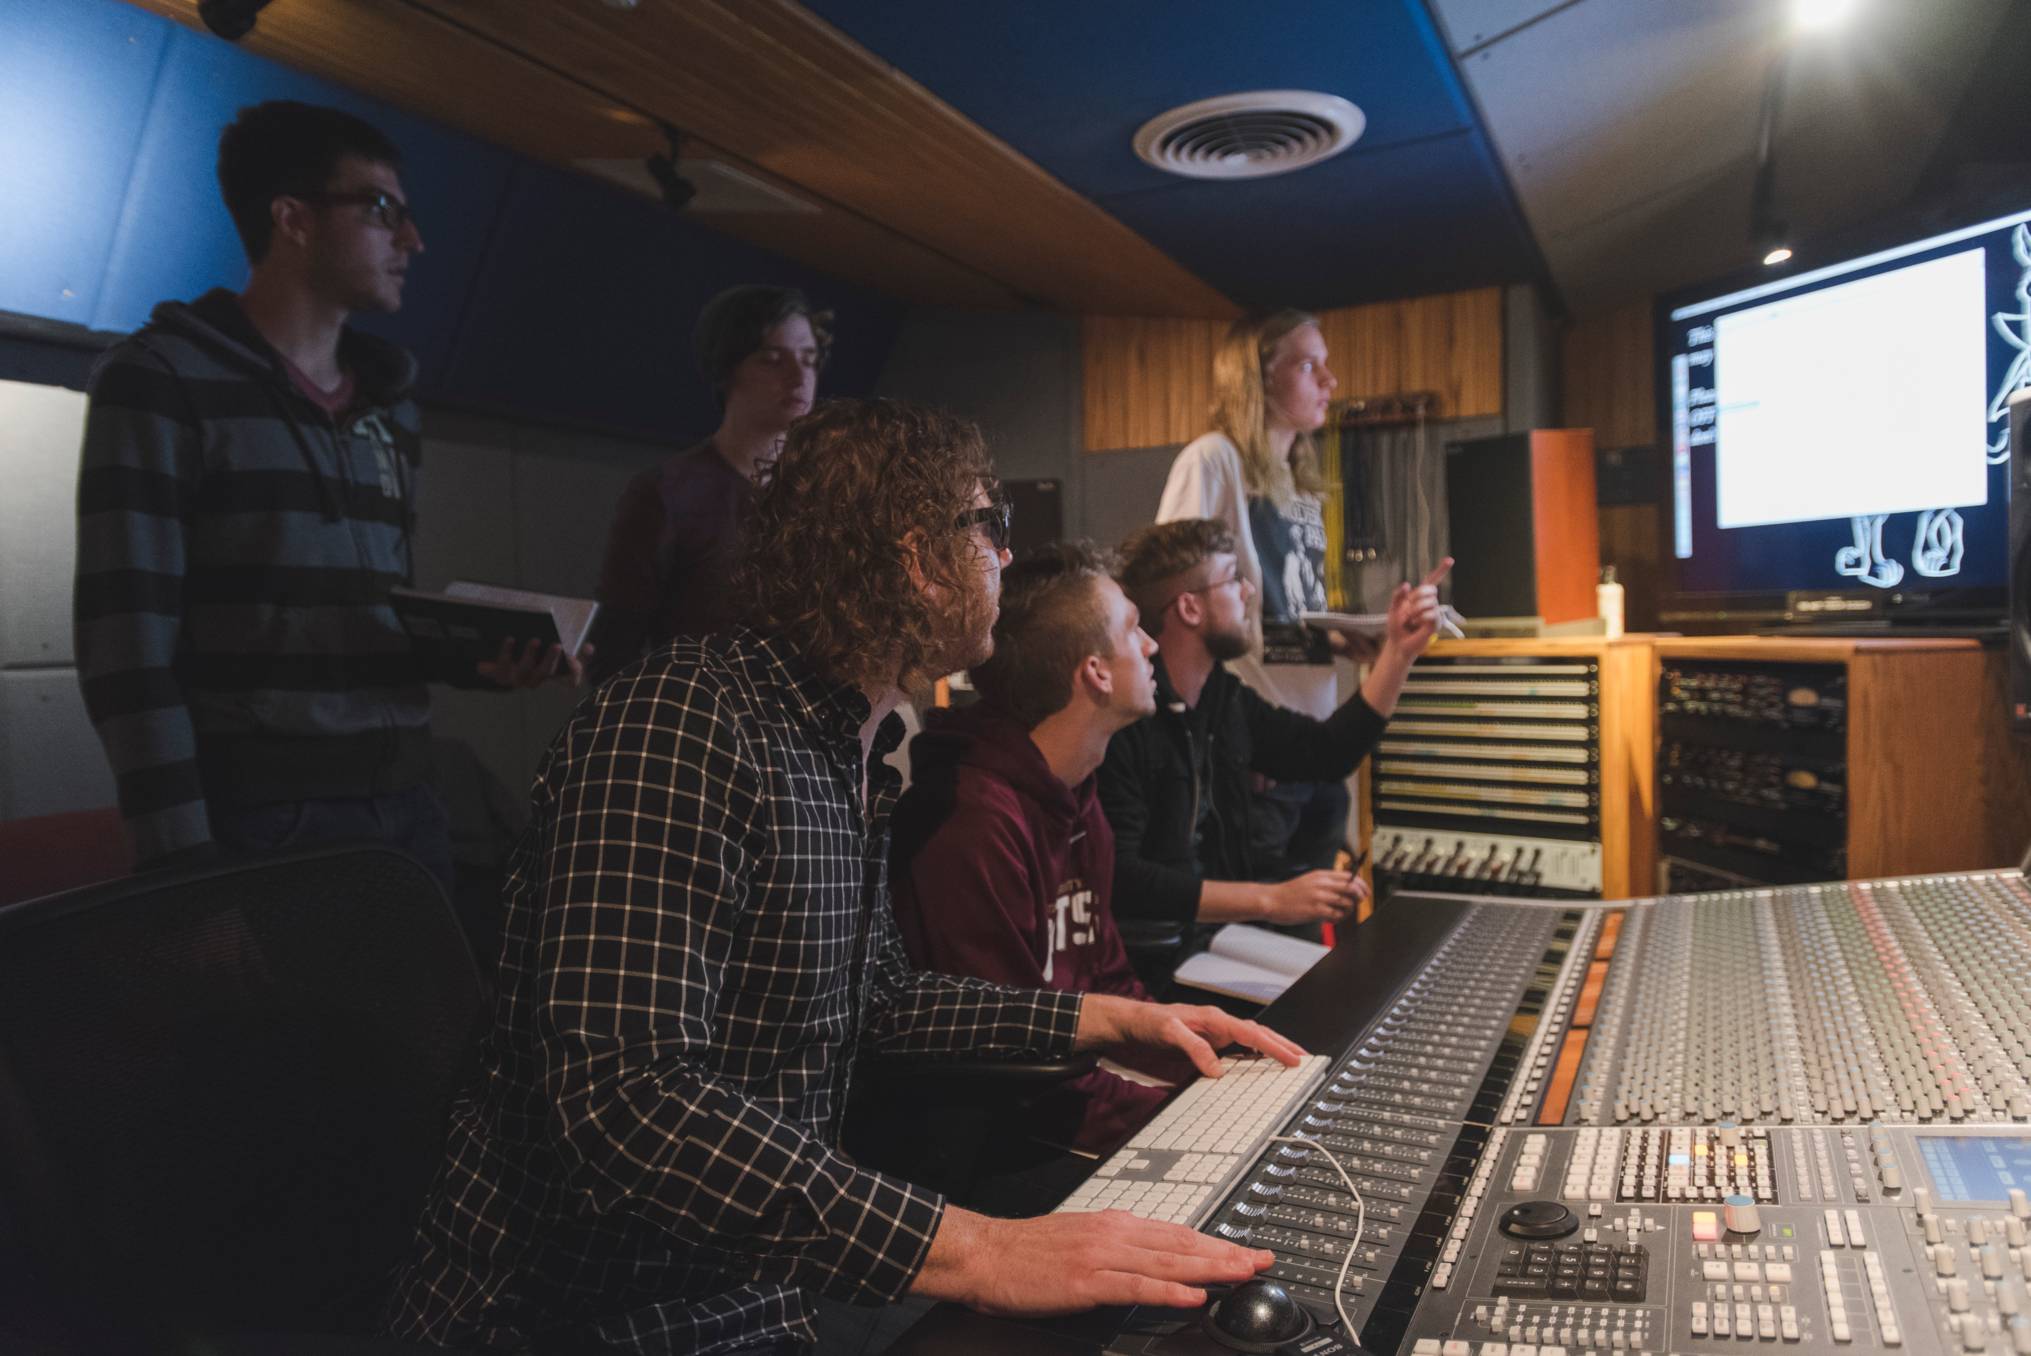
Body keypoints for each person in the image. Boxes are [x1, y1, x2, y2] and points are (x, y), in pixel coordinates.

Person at [386, 399, 1301, 1355]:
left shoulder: (842, 743)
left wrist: (1109, 1021)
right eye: (990, 525)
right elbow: (626, 1098)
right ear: (918, 559)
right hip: (588, 1316)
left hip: (755, 1288)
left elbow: (872, 997)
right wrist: (978, 1250)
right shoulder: (684, 722)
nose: (1003, 557)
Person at [73, 101, 572, 886]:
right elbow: (126, 647)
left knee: (423, 1015)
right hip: (264, 820)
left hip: (410, 801)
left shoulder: (389, 408)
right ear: (292, 218)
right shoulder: (161, 381)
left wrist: (480, 659)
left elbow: (360, 622)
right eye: (382, 210)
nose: (413, 241)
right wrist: (178, 869)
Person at [888, 542, 1168, 1157]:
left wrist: (1222, 1063)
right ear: (1094, 671)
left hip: (1072, 1101)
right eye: (1133, 628)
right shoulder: (971, 822)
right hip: (1002, 1148)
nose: (1151, 645)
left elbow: (1110, 983)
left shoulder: (1076, 789)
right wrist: (1184, 1114)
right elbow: (1012, 1067)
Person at [1098, 518, 1450, 984]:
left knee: (1365, 985)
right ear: (1189, 607)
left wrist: (1399, 653)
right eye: (1231, 578)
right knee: (1337, 1000)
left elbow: (1324, 753)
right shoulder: (1129, 720)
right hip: (1154, 959)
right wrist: (1272, 900)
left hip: (1211, 938)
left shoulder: (1222, 698)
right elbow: (1124, 880)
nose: (1247, 591)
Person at [1155, 310, 1356, 873]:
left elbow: (1278, 616)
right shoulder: (1211, 459)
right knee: (1265, 941)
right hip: (1257, 759)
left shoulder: (1296, 480)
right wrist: (1231, 739)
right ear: (1259, 375)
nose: (1329, 382)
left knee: (1316, 943)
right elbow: (1169, 596)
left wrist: (1341, 640)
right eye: (1309, 365)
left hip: (1313, 746)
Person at [586, 285, 830, 683]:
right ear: (727, 369)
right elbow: (615, 650)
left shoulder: (830, 490)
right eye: (772, 359)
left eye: (809, 358)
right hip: (705, 726)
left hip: (811, 730)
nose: (799, 376)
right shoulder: (670, 492)